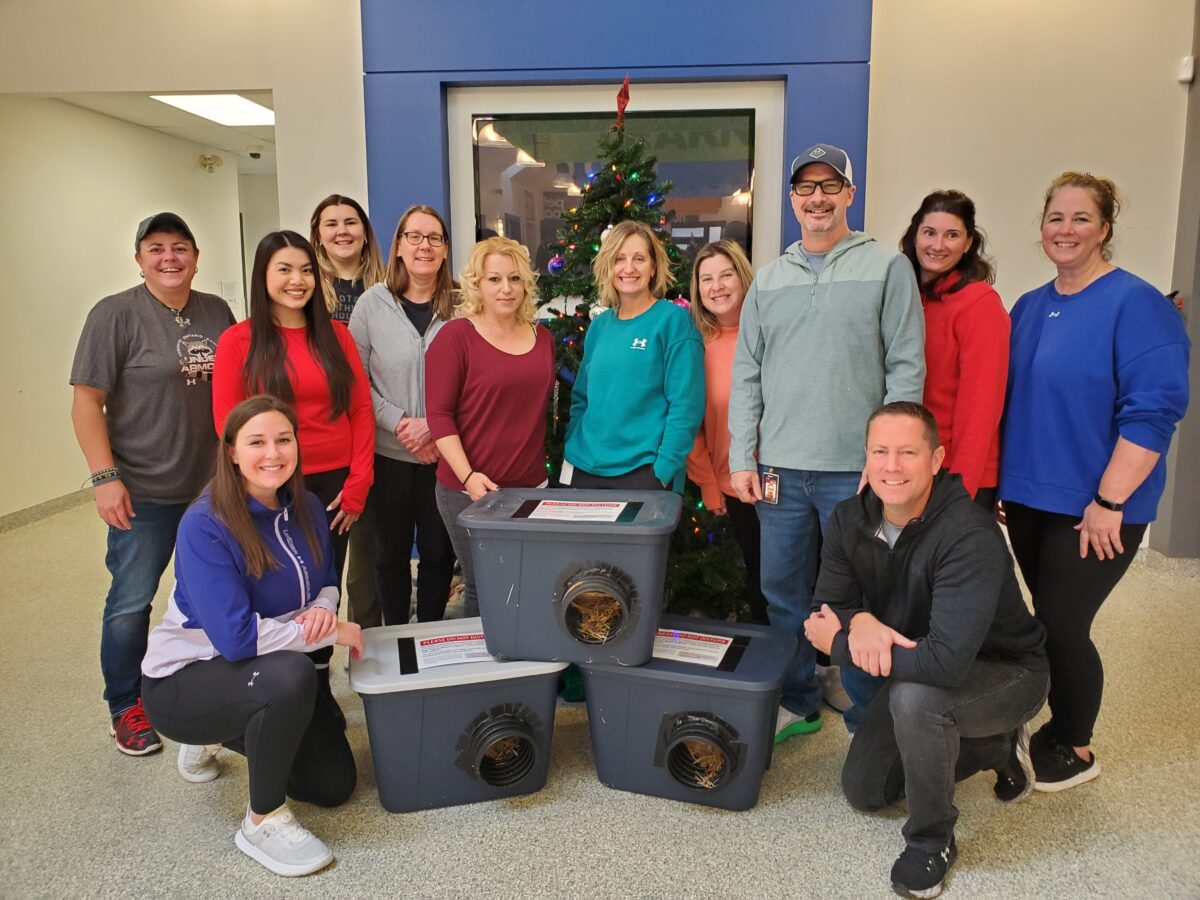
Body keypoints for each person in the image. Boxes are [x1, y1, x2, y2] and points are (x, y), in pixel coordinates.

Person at [804, 402, 1047, 899]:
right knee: (865, 791)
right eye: (880, 452)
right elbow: (826, 607)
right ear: (866, 459)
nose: (892, 467)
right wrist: (863, 619)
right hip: (920, 659)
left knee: (916, 698)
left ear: (936, 459)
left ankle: (931, 840)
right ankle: (998, 748)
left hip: (1006, 670)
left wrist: (842, 645)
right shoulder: (849, 518)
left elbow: (943, 664)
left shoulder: (969, 534)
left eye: (908, 452)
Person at [999, 172, 1190, 792]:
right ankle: (1046, 720)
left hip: (1098, 505)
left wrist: (1110, 500)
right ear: (1042, 226)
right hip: (1029, 498)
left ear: (1106, 228)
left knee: (1062, 620)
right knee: (1042, 617)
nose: (1066, 230)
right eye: (1056, 217)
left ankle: (1075, 743)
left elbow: (1154, 411)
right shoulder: (1028, 305)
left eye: (1082, 219)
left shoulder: (1138, 305)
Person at [729, 143, 925, 741]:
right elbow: (748, 374)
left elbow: (905, 370)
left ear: (849, 194)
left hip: (855, 474)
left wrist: (887, 462)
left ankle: (870, 716)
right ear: (792, 199)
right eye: (806, 188)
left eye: (829, 185)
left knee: (863, 598)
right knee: (784, 595)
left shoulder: (887, 268)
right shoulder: (769, 278)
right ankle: (800, 699)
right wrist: (742, 457)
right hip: (781, 472)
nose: (817, 197)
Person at [142, 395, 362, 877]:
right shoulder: (205, 524)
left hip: (253, 670)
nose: (273, 453)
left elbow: (326, 576)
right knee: (291, 677)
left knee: (333, 784)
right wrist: (333, 633)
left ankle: (227, 731)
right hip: (184, 682)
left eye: (284, 439)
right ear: (232, 452)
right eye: (256, 442)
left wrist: (326, 611)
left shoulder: (303, 504)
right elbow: (238, 639)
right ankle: (261, 820)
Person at [70, 212, 235, 756]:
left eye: (180, 247)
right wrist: (104, 477)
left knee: (212, 592)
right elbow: (86, 402)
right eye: (157, 248)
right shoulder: (115, 314)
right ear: (139, 258)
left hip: (210, 488)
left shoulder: (216, 311)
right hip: (142, 488)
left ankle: (207, 681)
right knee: (131, 600)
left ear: (195, 255)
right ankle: (126, 705)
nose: (170, 258)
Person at [212, 230, 373, 711]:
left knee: (324, 587)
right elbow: (227, 426)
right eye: (284, 269)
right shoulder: (238, 341)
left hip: (333, 485)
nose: (297, 280)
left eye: (306, 270)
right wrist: (258, 487)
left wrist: (359, 482)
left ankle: (319, 689)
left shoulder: (336, 336)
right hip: (270, 485)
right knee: (279, 588)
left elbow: (361, 410)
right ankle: (281, 685)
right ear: (263, 276)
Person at [426, 237, 555, 617]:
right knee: (486, 591)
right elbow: (439, 415)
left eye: (514, 278)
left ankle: (529, 673)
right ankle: (488, 676)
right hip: (470, 490)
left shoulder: (542, 338)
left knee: (530, 584)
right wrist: (468, 477)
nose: (506, 288)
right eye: (494, 278)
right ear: (477, 284)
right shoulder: (455, 337)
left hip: (531, 488)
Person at [349, 205, 457, 625]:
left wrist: (435, 426)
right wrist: (399, 422)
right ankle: (397, 636)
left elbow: (475, 381)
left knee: (437, 553)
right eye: (414, 236)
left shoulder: (463, 306)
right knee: (388, 554)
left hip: (444, 457)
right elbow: (357, 382)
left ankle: (428, 634)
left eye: (434, 238)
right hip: (388, 456)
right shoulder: (371, 305)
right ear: (397, 246)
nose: (423, 246)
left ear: (446, 249)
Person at [561, 220, 704, 491]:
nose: (628, 268)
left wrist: (663, 470)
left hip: (643, 472)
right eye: (619, 259)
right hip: (583, 467)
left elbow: (687, 405)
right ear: (608, 267)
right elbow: (582, 397)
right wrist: (573, 440)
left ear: (653, 268)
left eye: (639, 259)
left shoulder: (673, 321)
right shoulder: (599, 326)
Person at [900, 190, 1009, 509]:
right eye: (929, 232)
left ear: (968, 243)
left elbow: (981, 408)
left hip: (954, 476)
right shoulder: (907, 299)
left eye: (952, 235)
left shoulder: (979, 304)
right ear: (914, 235)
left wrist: (961, 491)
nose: (937, 245)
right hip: (911, 469)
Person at [310, 193, 388, 628]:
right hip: (330, 436)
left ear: (365, 231)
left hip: (382, 429)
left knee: (369, 550)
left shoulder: (387, 284)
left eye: (351, 222)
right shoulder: (304, 289)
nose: (342, 231)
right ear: (317, 235)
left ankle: (366, 635)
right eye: (331, 223)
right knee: (325, 552)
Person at [684, 240, 768, 624]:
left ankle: (813, 667)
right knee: (756, 577)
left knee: (795, 578)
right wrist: (707, 481)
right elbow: (689, 421)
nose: (716, 286)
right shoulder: (695, 346)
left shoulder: (771, 334)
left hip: (786, 480)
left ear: (743, 277)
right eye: (706, 279)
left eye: (725, 275)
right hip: (732, 485)